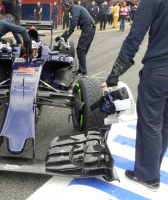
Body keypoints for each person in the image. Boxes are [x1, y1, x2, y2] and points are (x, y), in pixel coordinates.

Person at [106, 0, 168, 192]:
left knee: (150, 121)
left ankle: (147, 176)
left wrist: (116, 71)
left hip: (159, 69)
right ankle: (152, 169)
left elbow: (136, 35)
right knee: (165, 122)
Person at [57, 0, 96, 77]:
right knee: (82, 50)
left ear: (68, 4)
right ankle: (81, 70)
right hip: (89, 28)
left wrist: (67, 35)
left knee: (81, 49)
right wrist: (64, 35)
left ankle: (83, 72)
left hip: (88, 28)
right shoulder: (75, 8)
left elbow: (74, 22)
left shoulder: (74, 9)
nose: (64, 7)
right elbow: (72, 23)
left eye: (65, 5)